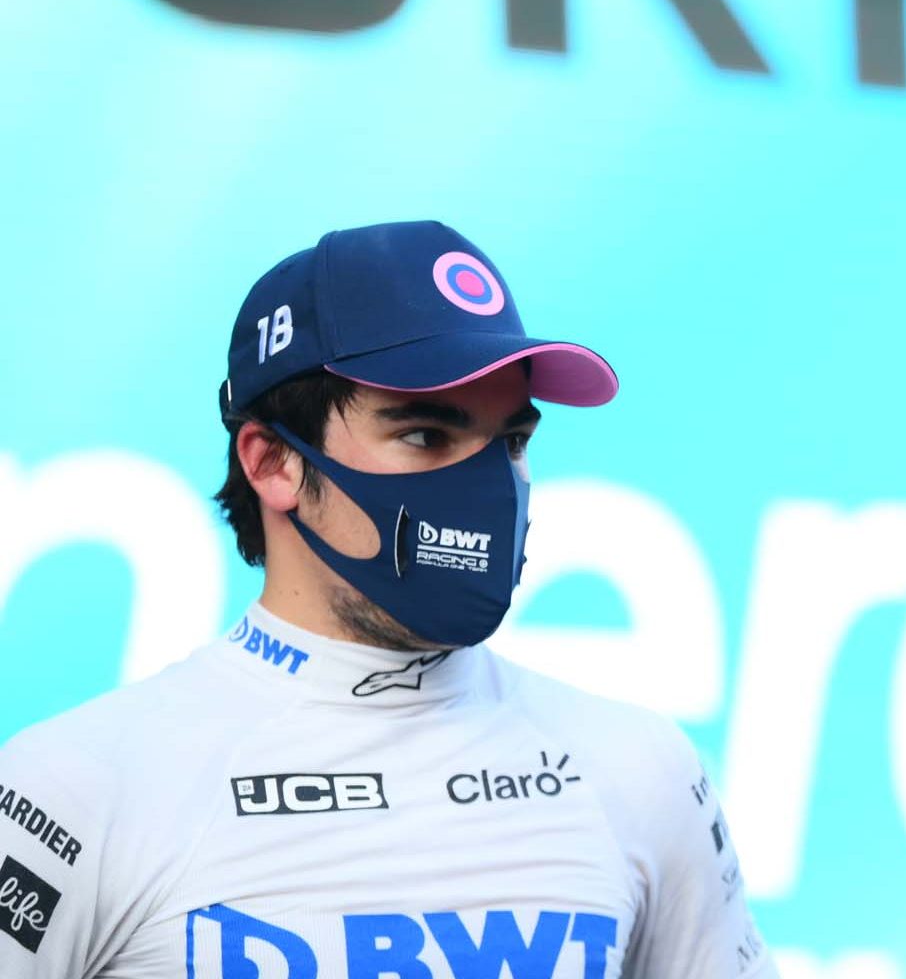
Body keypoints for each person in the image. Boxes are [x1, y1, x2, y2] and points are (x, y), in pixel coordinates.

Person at [0, 221, 777, 977]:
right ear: (272, 463)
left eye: (510, 442)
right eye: (425, 436)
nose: (485, 487)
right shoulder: (74, 791)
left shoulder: (637, 770)